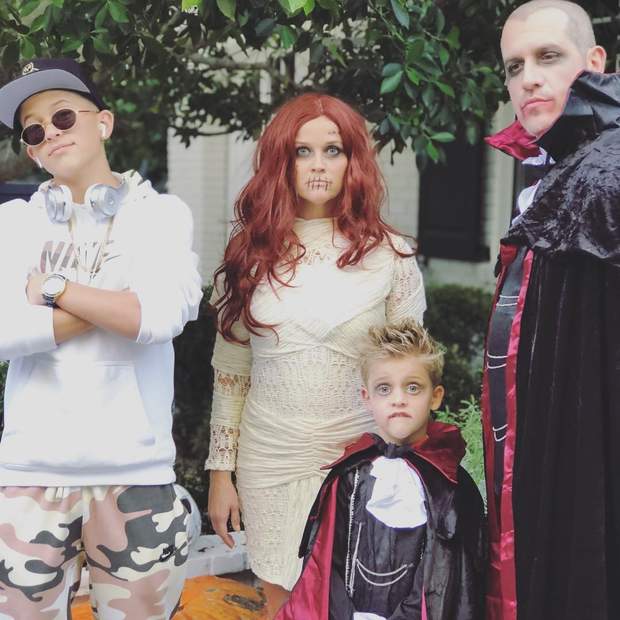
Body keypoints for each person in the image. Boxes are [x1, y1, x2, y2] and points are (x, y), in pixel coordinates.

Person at [205, 92, 426, 617]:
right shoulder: (249, 253)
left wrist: (409, 464)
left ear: (354, 161)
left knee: (355, 598)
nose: (319, 165)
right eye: (302, 151)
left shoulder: (392, 256)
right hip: (269, 457)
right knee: (280, 601)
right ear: (281, 161)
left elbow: (410, 373)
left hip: (357, 457)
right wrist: (220, 474)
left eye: (333, 150)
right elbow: (232, 374)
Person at [0, 58, 202, 619]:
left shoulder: (161, 216)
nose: (50, 132)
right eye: (34, 130)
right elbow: (3, 332)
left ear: (104, 122)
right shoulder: (13, 225)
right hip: (29, 480)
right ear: (32, 151)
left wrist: (54, 289)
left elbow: (159, 316)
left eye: (63, 116)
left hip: (137, 479)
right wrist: (114, 301)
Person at [482, 1, 619, 618]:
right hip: (547, 453)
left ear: (595, 62)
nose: (528, 79)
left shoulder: (607, 171)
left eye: (548, 57)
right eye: (515, 66)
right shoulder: (559, 167)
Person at [276, 319, 486, 620]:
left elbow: (447, 581)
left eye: (413, 387)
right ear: (367, 398)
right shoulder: (350, 475)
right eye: (384, 388)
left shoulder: (449, 485)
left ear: (435, 396)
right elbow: (327, 564)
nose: (398, 399)